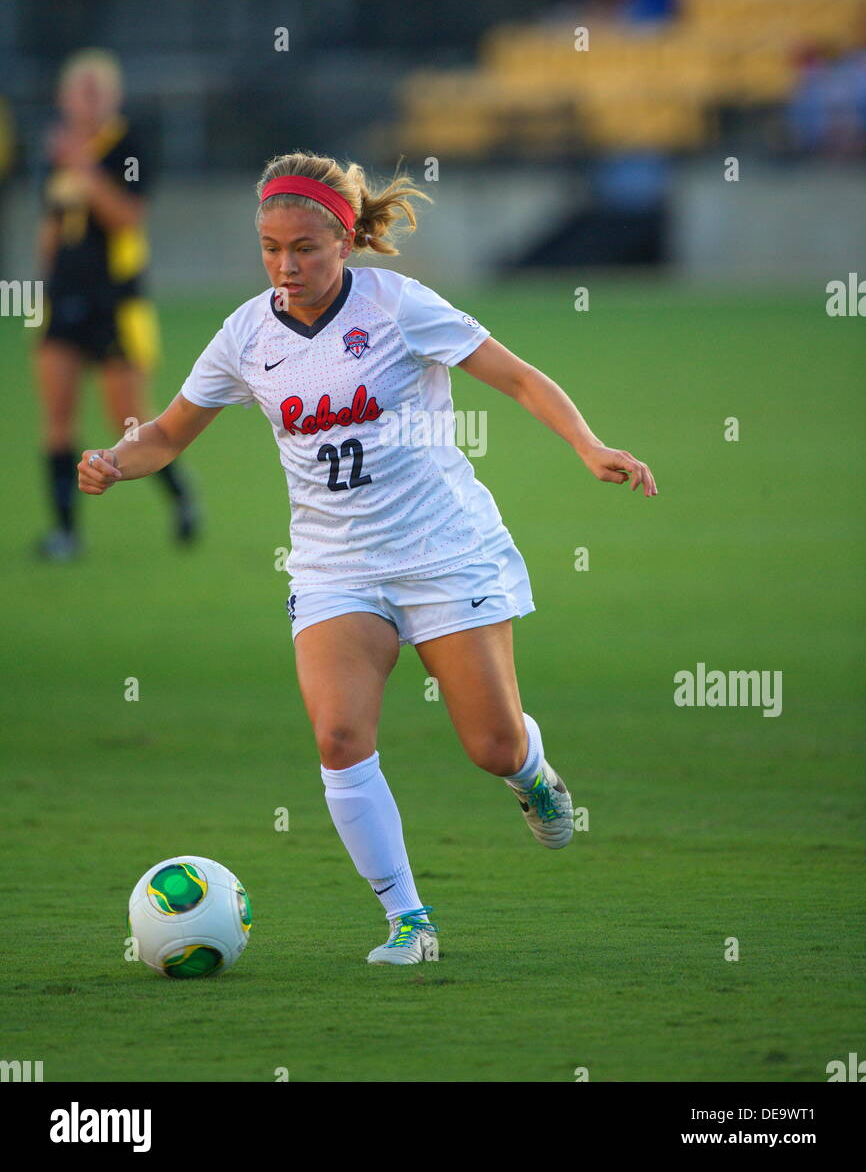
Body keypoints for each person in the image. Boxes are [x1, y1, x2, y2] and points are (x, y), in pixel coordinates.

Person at [77, 150, 658, 965]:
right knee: (340, 737)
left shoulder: (399, 306)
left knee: (490, 746)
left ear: (343, 240)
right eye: (271, 248)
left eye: (304, 247)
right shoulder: (246, 334)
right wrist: (115, 457)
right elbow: (169, 433)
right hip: (332, 568)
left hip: (443, 552)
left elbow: (519, 378)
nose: (286, 265)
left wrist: (590, 446)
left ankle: (530, 770)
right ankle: (409, 924)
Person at [35, 48, 197, 559]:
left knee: (127, 418)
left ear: (113, 97)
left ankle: (181, 498)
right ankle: (65, 533)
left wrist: (83, 168)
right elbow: (51, 224)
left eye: (97, 90)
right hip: (62, 298)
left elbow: (127, 217)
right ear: (63, 98)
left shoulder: (127, 146)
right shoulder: (56, 151)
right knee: (57, 414)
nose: (87, 100)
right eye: (79, 90)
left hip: (116, 299)